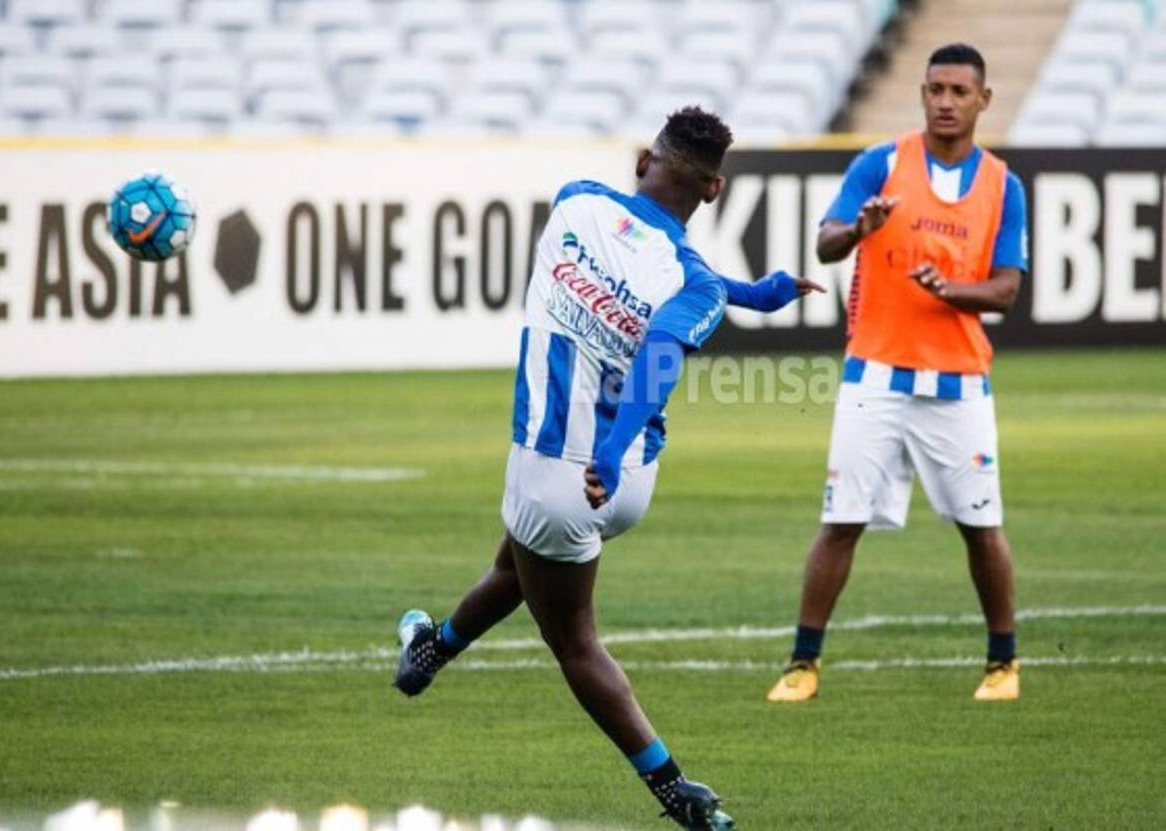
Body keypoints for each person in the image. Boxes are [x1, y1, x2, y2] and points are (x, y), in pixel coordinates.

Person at [394, 106, 823, 829]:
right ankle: (430, 649)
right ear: (713, 191)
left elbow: (640, 294)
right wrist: (755, 294)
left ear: (641, 161)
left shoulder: (576, 201)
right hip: (626, 478)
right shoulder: (700, 288)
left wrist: (598, 451)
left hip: (565, 461)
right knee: (515, 568)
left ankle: (674, 789)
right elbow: (661, 342)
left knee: (574, 640)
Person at [766, 44, 1029, 704]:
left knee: (980, 523)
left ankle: (1003, 663)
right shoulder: (880, 164)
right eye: (935, 88)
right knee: (841, 519)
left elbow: (1004, 291)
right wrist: (859, 227)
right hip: (875, 375)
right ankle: (803, 663)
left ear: (983, 100)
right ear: (921, 93)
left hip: (957, 380)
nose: (945, 101)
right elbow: (825, 243)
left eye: (959, 91)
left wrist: (951, 290)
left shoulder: (1003, 185)